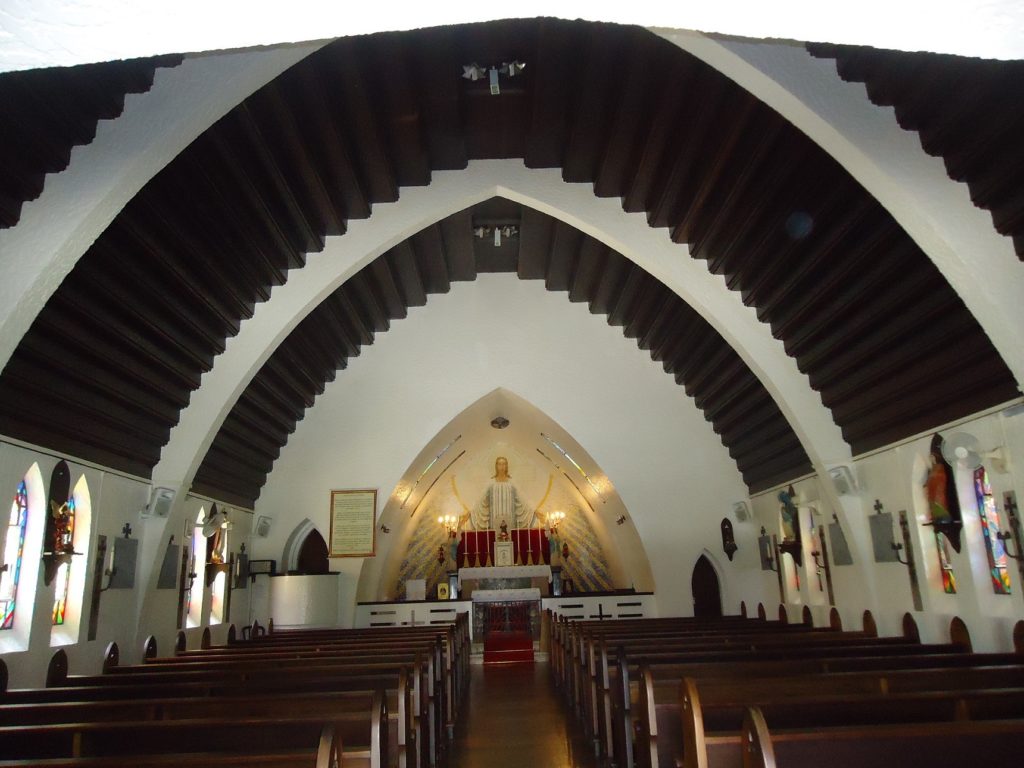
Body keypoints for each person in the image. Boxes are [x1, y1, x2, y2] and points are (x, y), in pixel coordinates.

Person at [470, 456, 536, 531]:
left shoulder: (511, 483)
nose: (502, 466)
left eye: (504, 464)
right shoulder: (491, 483)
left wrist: (533, 511)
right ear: (496, 466)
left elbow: (522, 500)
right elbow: (482, 501)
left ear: (507, 466)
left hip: (510, 516)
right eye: (500, 464)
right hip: (494, 517)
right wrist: (472, 511)